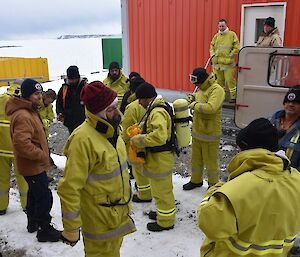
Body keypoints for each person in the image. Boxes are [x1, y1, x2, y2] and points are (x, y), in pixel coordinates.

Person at [198, 118, 300, 257]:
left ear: (245, 148)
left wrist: (216, 190)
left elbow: (211, 226)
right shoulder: (296, 178)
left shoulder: (238, 189)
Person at [57, 81, 136, 256]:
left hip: (118, 214)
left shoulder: (114, 130)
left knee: (114, 251)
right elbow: (69, 188)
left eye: (115, 106)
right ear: (96, 114)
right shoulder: (82, 140)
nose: (117, 112)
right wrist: (71, 228)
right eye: (110, 109)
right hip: (98, 222)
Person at [5, 79, 61, 242]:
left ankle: (32, 223)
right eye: (36, 94)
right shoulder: (23, 115)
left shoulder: (29, 110)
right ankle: (44, 229)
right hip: (32, 165)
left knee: (34, 194)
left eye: (40, 93)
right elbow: (22, 144)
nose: (39, 97)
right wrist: (41, 155)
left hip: (32, 165)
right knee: (44, 196)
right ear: (28, 95)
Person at [130, 82, 176, 232]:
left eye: (140, 99)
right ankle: (162, 212)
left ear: (146, 99)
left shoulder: (157, 112)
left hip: (160, 158)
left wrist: (139, 140)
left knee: (162, 191)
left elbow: (160, 136)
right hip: (159, 158)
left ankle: (166, 221)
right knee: (159, 189)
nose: (138, 103)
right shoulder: (156, 109)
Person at [183, 68, 225, 190]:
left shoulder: (217, 90)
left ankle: (213, 184)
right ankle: (196, 180)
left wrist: (193, 105)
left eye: (197, 83)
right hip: (198, 132)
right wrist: (192, 98)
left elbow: (211, 107)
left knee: (211, 162)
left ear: (203, 80)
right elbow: (199, 96)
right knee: (196, 160)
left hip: (210, 134)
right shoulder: (201, 89)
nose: (196, 86)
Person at [121, 76, 152, 202]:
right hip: (147, 141)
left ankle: (143, 193)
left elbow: (126, 128)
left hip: (134, 143)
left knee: (138, 170)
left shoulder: (132, 107)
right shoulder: (151, 103)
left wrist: (123, 141)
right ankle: (148, 189)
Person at [0, 83, 28, 215]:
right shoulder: (23, 102)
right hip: (19, 149)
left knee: (1, 179)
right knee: (23, 178)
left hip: (1, 149)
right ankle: (27, 205)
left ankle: (1, 207)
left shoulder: (1, 99)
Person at [270, 86, 300, 171]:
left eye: (296, 102)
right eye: (288, 101)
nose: (291, 104)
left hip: (289, 180)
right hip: (266, 173)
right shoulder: (270, 122)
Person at [210, 19, 240, 103]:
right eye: (220, 26)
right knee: (219, 82)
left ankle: (233, 97)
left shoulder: (232, 35)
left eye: (223, 26)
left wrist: (231, 55)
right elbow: (211, 46)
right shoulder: (216, 36)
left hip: (228, 63)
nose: (221, 27)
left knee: (230, 80)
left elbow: (237, 47)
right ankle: (221, 97)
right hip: (217, 63)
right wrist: (212, 55)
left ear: (226, 26)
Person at [56, 65, 87, 134]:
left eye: (74, 79)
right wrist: (60, 114)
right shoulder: (64, 89)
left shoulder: (85, 87)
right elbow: (59, 103)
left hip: (85, 122)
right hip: (70, 123)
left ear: (78, 77)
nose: (72, 81)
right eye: (70, 79)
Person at [39, 89, 57, 171]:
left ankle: (45, 169)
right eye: (50, 101)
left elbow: (50, 118)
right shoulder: (36, 103)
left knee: (45, 149)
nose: (50, 103)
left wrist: (44, 122)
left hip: (43, 132)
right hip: (34, 131)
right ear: (45, 96)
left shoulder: (49, 106)